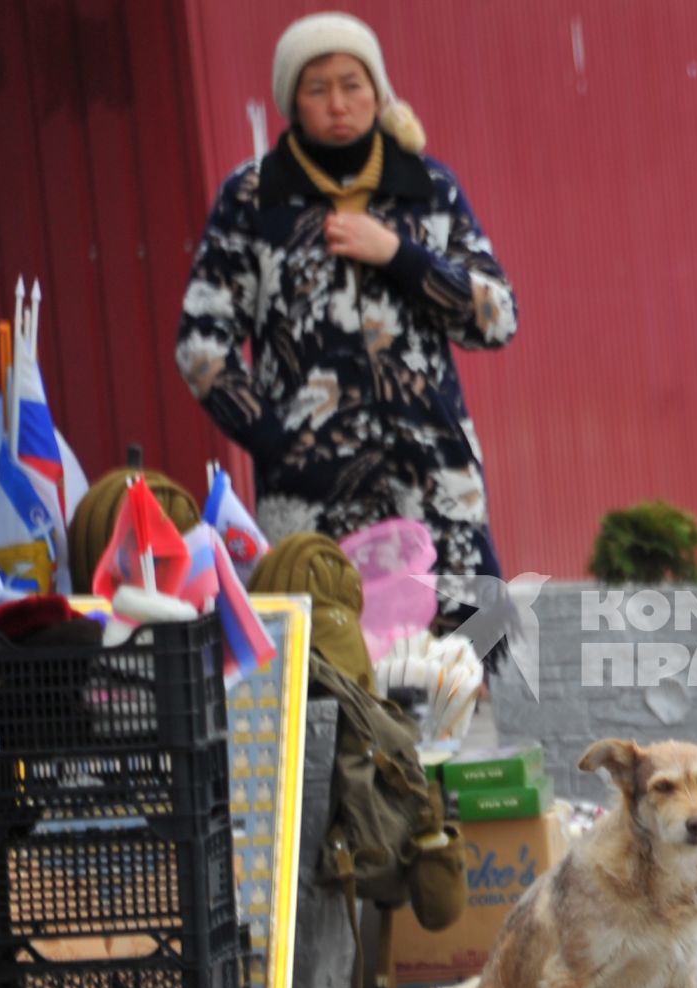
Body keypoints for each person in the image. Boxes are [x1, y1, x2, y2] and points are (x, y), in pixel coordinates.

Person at [175, 11, 517, 628]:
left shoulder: (428, 189)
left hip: (436, 483)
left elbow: (496, 318)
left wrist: (401, 256)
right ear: (292, 102)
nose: (338, 102)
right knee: (333, 681)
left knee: (462, 669)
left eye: (353, 83)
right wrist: (275, 438)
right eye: (318, 87)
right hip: (312, 502)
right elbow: (202, 343)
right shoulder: (254, 198)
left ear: (378, 91)